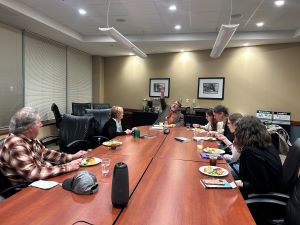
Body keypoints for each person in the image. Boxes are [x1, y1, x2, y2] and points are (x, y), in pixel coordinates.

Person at [0, 107, 87, 186]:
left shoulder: (29, 138)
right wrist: (68, 166)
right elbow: (33, 174)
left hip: (42, 179)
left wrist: (72, 157)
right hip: (28, 189)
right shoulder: (15, 145)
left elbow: (47, 153)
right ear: (30, 127)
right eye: (39, 122)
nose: (41, 125)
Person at [234, 116, 283, 196]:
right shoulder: (267, 144)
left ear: (243, 132)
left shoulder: (250, 151)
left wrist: (243, 184)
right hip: (275, 190)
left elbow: (262, 187)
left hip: (263, 198)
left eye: (237, 130)